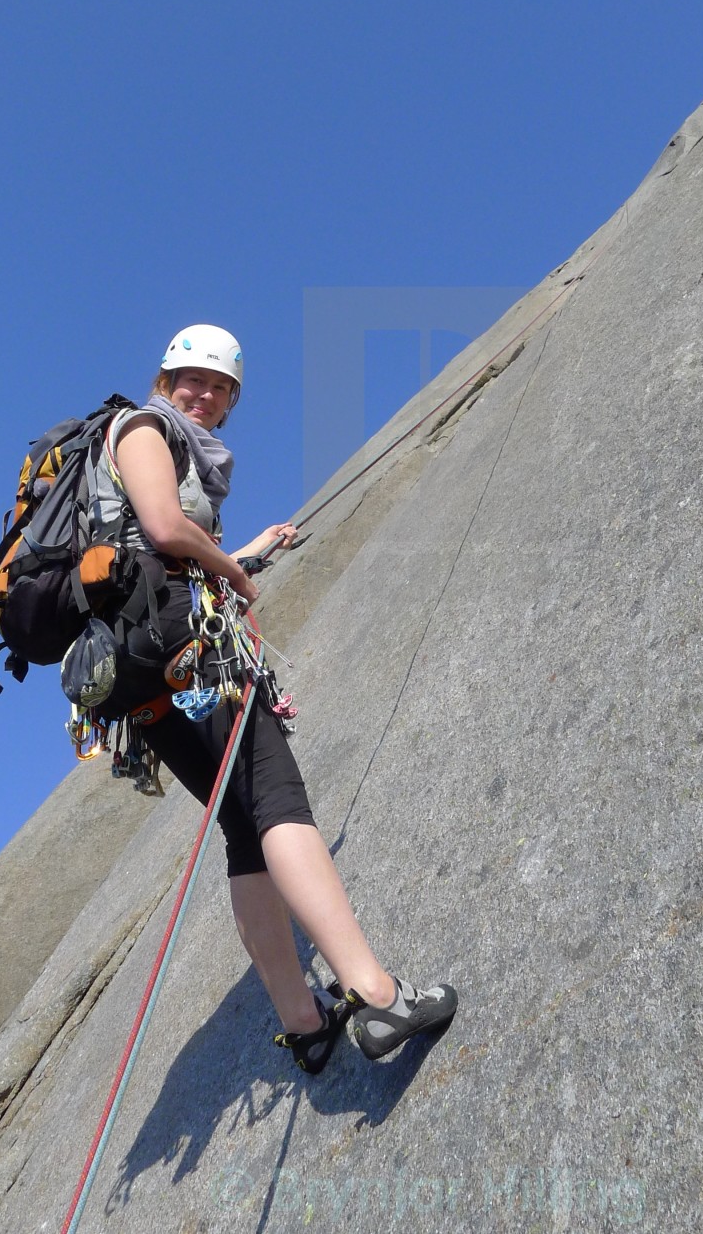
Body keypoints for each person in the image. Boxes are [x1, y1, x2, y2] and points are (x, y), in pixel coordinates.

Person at [91, 323, 457, 1073]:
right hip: (181, 650)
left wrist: (246, 550)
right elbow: (164, 527)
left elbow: (159, 540)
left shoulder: (167, 442)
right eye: (193, 378)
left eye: (221, 387)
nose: (207, 393)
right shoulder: (143, 427)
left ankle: (304, 1021)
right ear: (165, 379)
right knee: (278, 800)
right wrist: (238, 572)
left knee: (243, 828)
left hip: (139, 671)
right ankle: (376, 994)